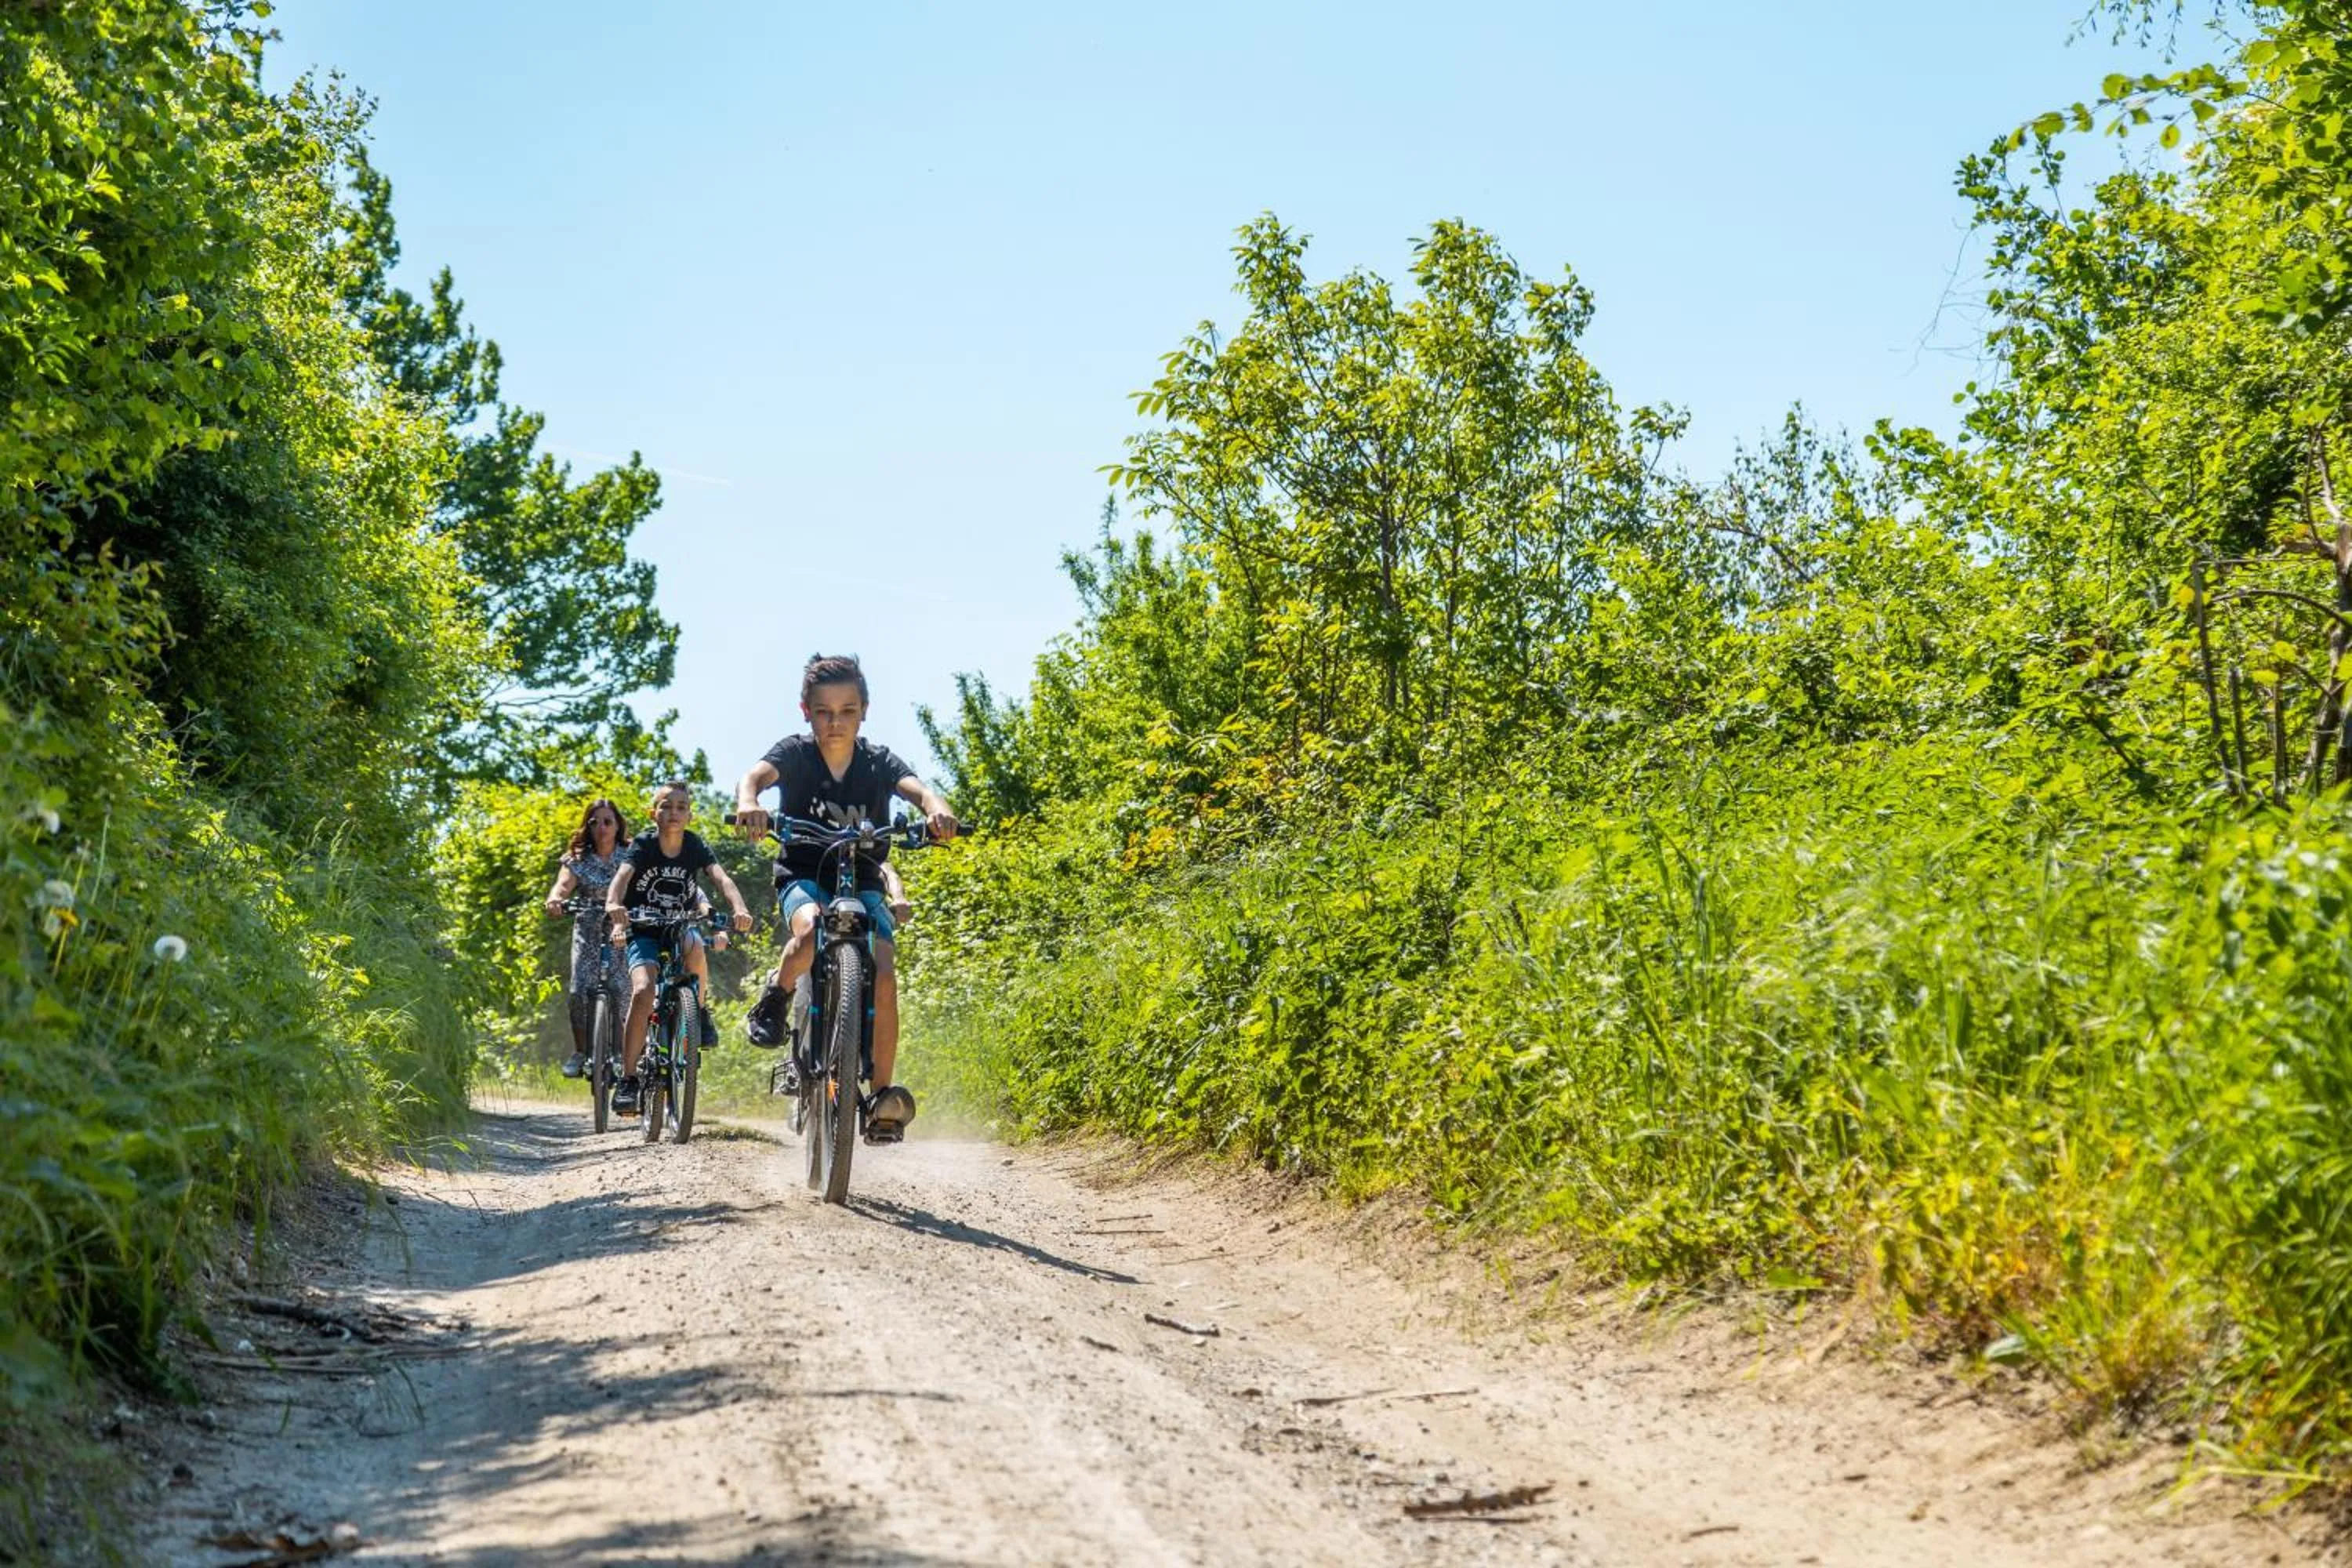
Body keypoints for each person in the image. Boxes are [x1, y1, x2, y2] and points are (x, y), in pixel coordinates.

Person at [733, 654, 958, 1138]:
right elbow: (753, 777)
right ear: (806, 711)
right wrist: (749, 803)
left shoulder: (878, 762)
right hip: (805, 874)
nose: (835, 722)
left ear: (864, 711)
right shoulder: (794, 753)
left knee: (884, 965)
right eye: (824, 711)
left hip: (866, 878)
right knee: (812, 929)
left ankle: (880, 1097)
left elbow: (918, 791)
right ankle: (777, 994)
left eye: (847, 710)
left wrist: (937, 809)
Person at [604, 780, 754, 1115]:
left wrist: (739, 908)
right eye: (666, 806)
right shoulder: (645, 843)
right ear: (653, 813)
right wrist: (615, 906)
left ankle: (698, 1012)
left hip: (680, 925)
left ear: (689, 815)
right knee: (643, 990)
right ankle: (628, 1080)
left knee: (696, 946)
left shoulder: (695, 845)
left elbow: (721, 878)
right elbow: (622, 879)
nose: (674, 813)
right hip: (643, 928)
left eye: (681, 807)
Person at [541, 798, 629, 1080]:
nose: (602, 828)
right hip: (588, 930)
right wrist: (556, 899)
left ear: (617, 826)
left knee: (624, 992)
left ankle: (622, 1054)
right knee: (579, 992)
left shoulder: (630, 855)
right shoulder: (577, 859)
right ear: (587, 827)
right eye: (595, 822)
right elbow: (564, 884)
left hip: (621, 930)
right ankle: (581, 1052)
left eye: (607, 822)